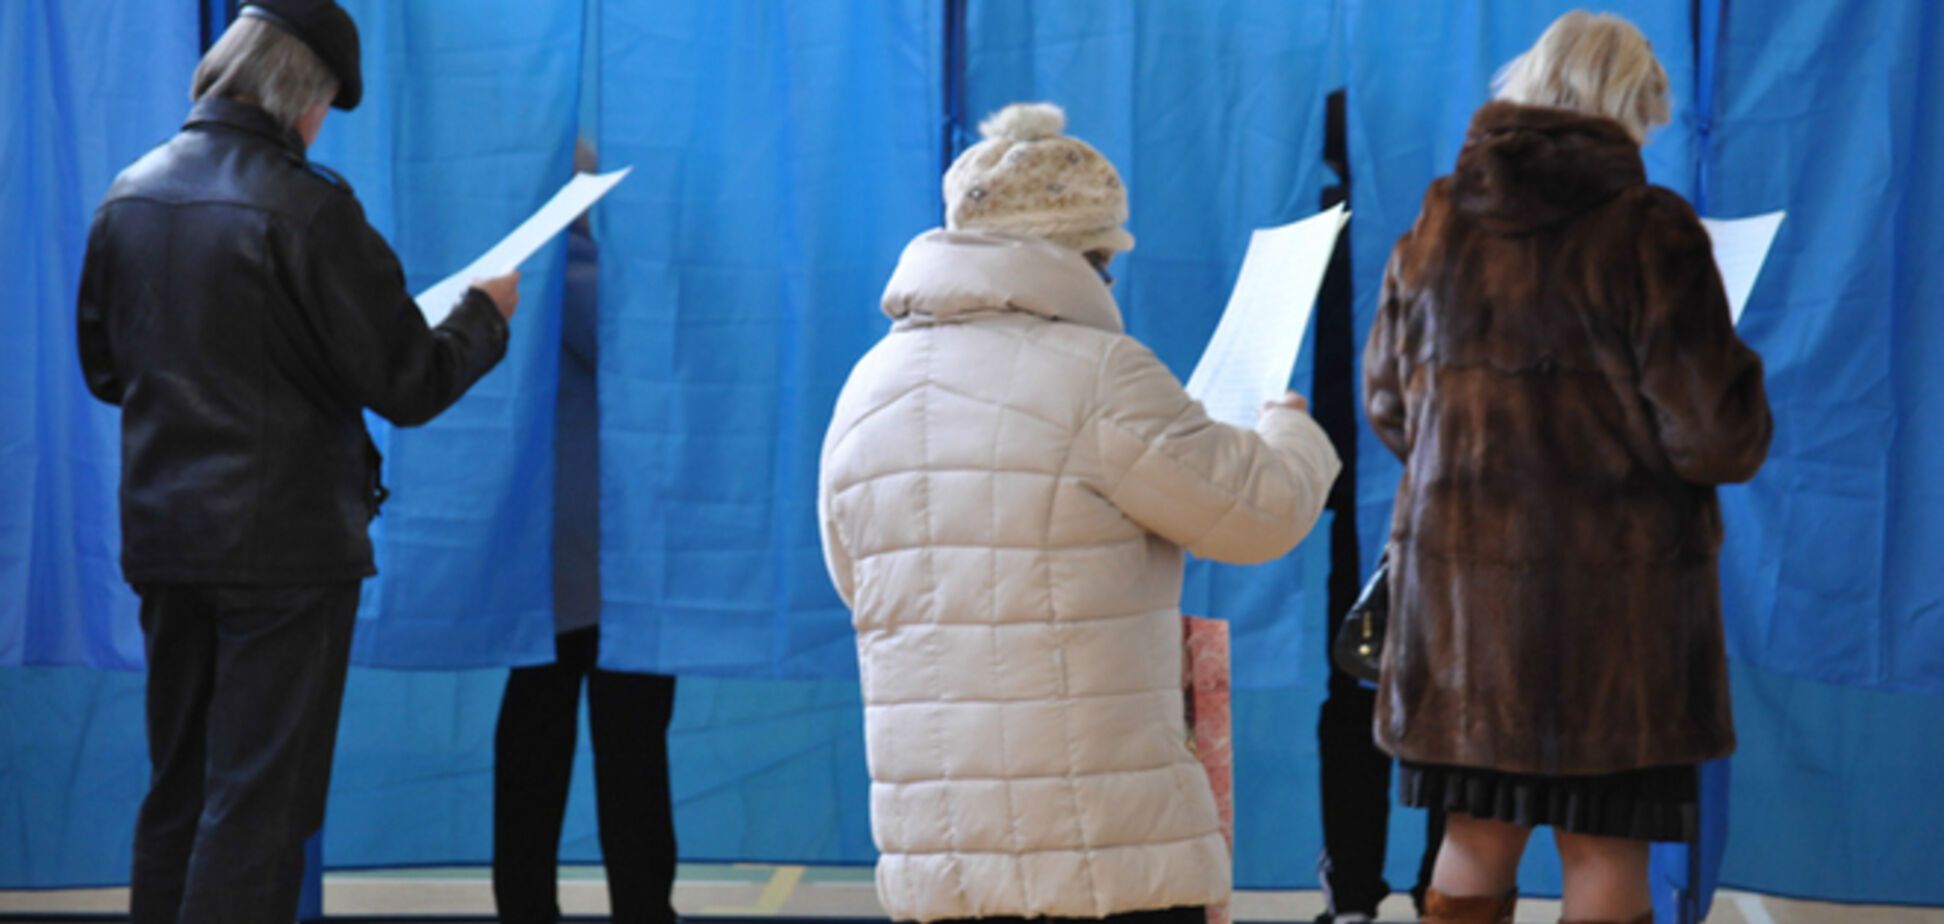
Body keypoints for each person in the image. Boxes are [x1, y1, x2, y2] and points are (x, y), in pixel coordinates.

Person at [818, 102, 1342, 924]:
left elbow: (864, 589)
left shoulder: (867, 387)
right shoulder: (1100, 374)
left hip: (939, 855)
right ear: (1085, 255)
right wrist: (1290, 426)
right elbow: (1262, 514)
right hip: (1102, 848)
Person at [76, 3, 518, 921]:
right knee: (258, 812)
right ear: (300, 98)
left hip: (166, 542)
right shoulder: (311, 208)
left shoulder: (130, 193)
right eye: (322, 107)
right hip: (286, 556)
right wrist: (485, 314)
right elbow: (409, 382)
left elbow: (106, 370)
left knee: (178, 791)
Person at [1361, 11, 1773, 924]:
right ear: (1632, 107)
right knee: (1604, 844)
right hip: (1616, 618)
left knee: (1474, 834)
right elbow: (1715, 437)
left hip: (1465, 611)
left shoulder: (1438, 223)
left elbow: (1390, 405)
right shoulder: (1651, 231)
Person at [491, 141, 680, 924]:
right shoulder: (580, 274)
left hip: (547, 561)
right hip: (604, 561)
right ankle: (642, 910)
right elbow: (630, 351)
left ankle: (527, 909)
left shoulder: (503, 270)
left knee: (532, 752)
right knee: (631, 750)